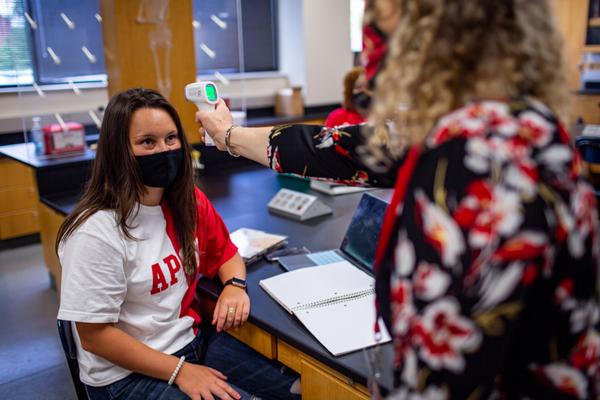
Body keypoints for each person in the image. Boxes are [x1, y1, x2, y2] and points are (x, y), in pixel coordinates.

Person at [196, 0, 600, 398]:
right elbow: (338, 147)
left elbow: (448, 372)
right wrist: (229, 136)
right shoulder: (518, 126)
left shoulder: (470, 160)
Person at [56, 88, 300, 400]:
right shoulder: (95, 231)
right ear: (119, 151)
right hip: (126, 376)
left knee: (298, 389)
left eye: (171, 139)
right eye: (148, 142)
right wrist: (180, 371)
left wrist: (235, 285)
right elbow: (94, 336)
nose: (164, 149)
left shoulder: (188, 202)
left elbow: (226, 254)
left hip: (192, 342)